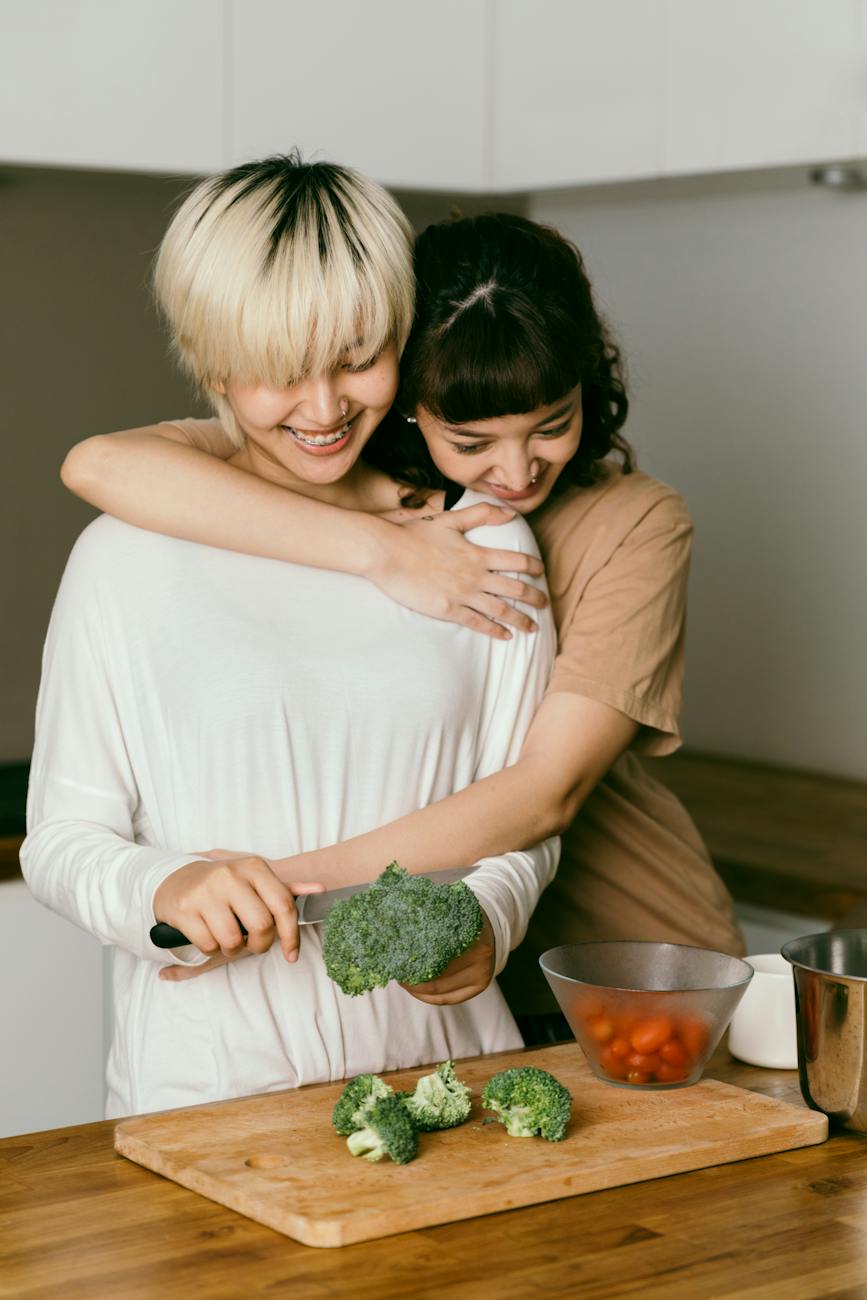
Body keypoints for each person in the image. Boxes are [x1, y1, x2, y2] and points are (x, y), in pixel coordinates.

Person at [61, 200, 745, 1044]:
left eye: (553, 426)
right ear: (414, 401)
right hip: (441, 986)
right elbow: (100, 465)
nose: (515, 471)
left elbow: (547, 791)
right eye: (472, 440)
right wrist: (382, 550)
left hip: (619, 958)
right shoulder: (355, 480)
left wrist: (273, 891)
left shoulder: (629, 522)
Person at [21, 155, 559, 1119]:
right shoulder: (124, 557)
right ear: (212, 364)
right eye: (279, 370)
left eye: (356, 357)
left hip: (448, 1077)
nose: (323, 409)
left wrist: (489, 917)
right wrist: (164, 886)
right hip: (204, 1087)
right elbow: (60, 841)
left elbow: (525, 817)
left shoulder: (483, 544)